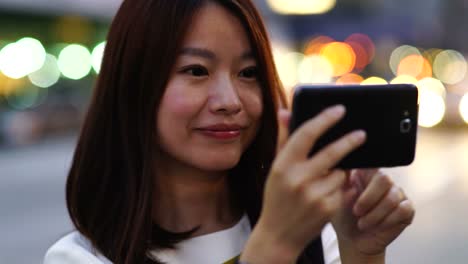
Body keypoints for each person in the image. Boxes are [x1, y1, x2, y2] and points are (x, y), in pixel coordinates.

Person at [44, 0, 415, 263]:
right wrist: (275, 246)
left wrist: (363, 253)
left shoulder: (316, 232)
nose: (230, 100)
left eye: (248, 73)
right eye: (196, 71)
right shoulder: (78, 258)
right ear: (133, 83)